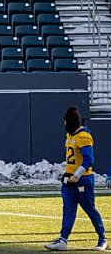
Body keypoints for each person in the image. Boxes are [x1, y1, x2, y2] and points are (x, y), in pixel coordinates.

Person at [44, 107, 108, 251]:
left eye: (66, 121)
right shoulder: (70, 136)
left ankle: (102, 238)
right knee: (68, 210)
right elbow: (73, 159)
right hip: (69, 181)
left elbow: (88, 160)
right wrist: (68, 174)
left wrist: (76, 175)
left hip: (82, 180)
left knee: (90, 209)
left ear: (70, 122)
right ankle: (63, 239)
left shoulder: (84, 136)